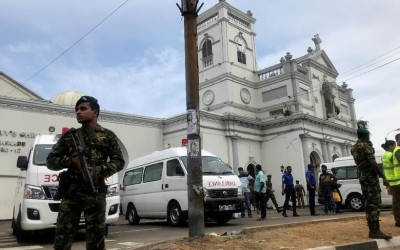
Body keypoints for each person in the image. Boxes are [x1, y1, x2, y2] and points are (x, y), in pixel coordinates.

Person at [46, 96, 125, 250]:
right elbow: (50, 161)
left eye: (83, 108)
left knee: (96, 240)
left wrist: (97, 170)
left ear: (94, 112)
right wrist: (71, 161)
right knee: (62, 238)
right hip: (71, 193)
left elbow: (119, 161)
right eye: (77, 109)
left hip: (94, 192)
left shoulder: (108, 135)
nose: (78, 112)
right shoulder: (70, 136)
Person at [351, 124, 392, 239]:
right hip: (370, 177)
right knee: (374, 202)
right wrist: (383, 176)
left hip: (362, 176)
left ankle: (373, 229)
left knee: (369, 202)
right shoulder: (366, 146)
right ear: (366, 136)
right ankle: (375, 231)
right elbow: (372, 163)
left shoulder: (354, 147)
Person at [389, 137, 400, 227]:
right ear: (397, 140)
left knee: (397, 201)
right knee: (397, 202)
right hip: (398, 182)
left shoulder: (395, 151)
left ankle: (398, 220)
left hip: (396, 181)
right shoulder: (398, 150)